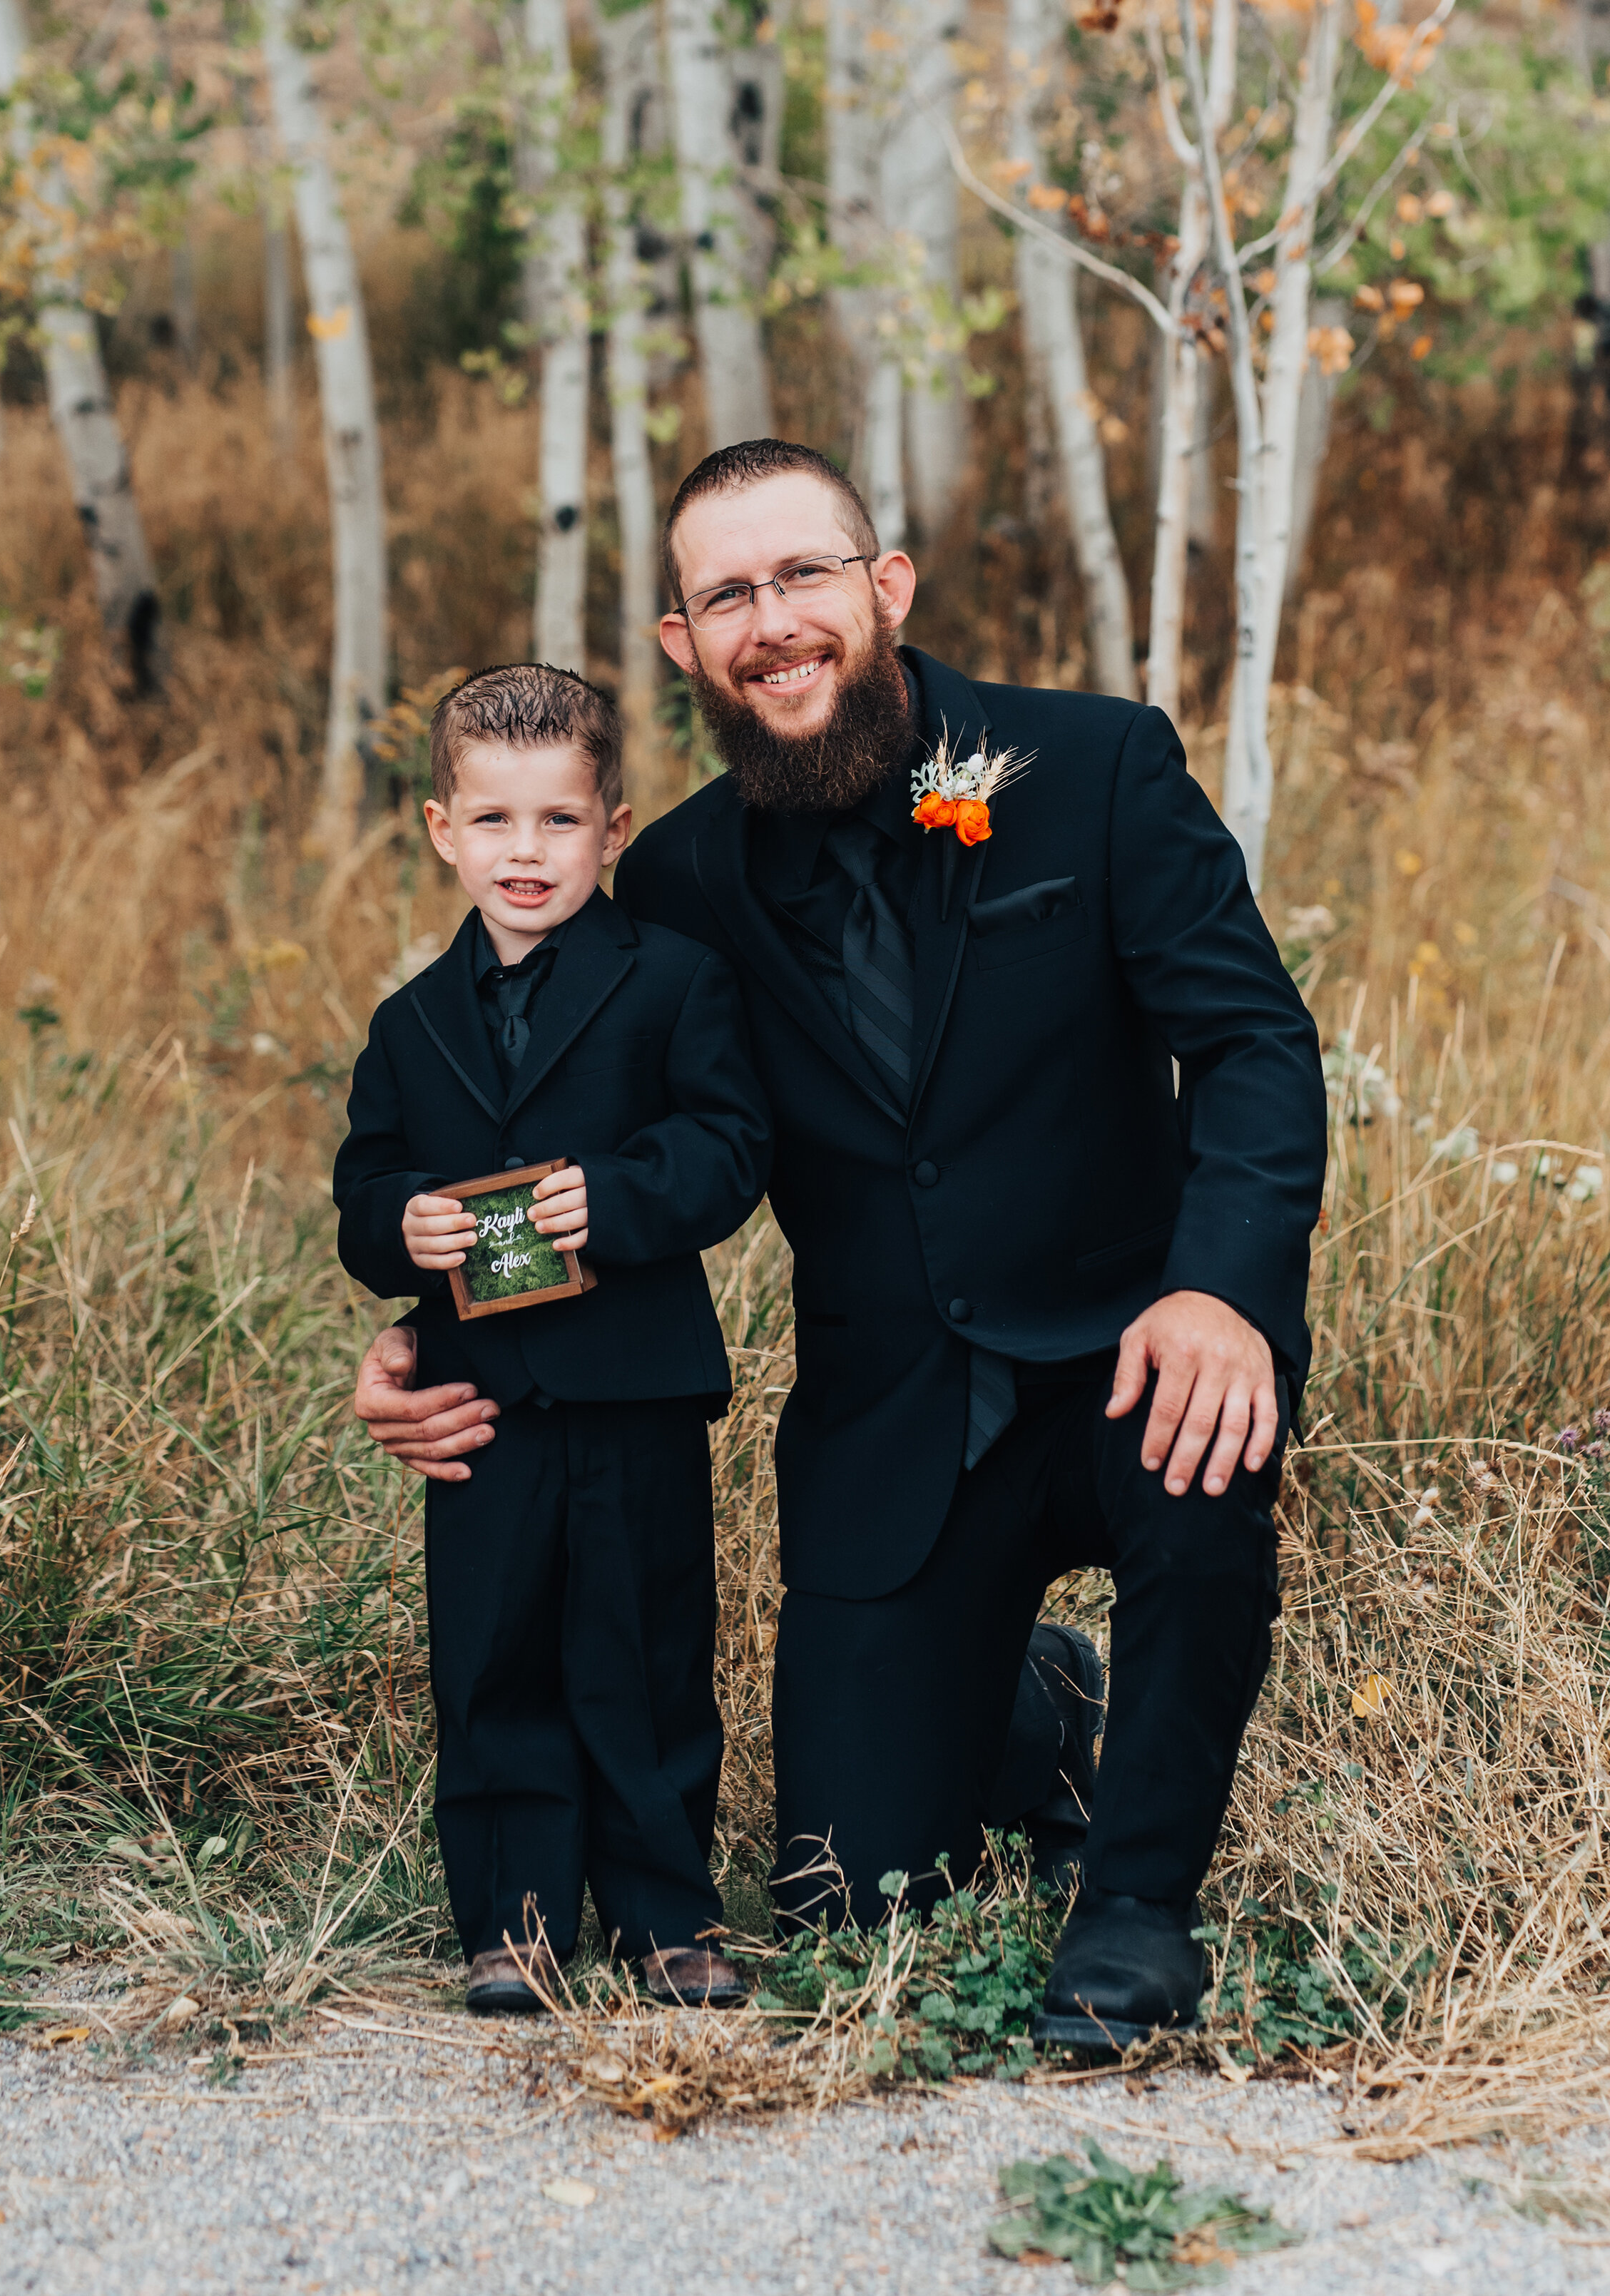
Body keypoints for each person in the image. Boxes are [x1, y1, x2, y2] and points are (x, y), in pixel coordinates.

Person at [353, 442, 1328, 2050]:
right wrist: (427, 1324)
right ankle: (1045, 1704)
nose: (774, 622)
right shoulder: (671, 877)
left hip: (1133, 1350)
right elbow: (568, 1134)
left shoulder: (1094, 765)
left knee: (1202, 1474)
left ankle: (1136, 1912)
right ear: (685, 644)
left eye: (803, 573)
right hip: (896, 1426)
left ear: (886, 589)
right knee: (846, 1908)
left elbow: (1253, 1046)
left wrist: (1221, 1290)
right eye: (728, 594)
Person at [334, 664, 770, 2016]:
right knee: (492, 1653)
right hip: (480, 1399)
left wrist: (620, 1196)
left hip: (634, 1386)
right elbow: (363, 1194)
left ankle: (665, 1917)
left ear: (614, 829)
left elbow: (731, 1147)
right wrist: (405, 1222)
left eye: (561, 821)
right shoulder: (409, 1022)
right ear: (441, 830)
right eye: (495, 821)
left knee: (644, 1651)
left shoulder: (676, 980)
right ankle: (512, 1924)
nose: (526, 852)